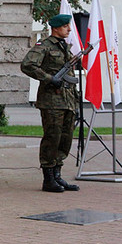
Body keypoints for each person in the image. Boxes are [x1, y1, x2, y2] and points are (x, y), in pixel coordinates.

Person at [20, 13, 80, 193]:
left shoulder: (64, 47)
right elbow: (27, 65)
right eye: (65, 26)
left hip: (68, 100)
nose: (69, 29)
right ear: (56, 28)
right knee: (52, 138)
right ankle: (48, 179)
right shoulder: (44, 46)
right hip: (51, 101)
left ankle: (57, 176)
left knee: (65, 138)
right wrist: (49, 78)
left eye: (68, 26)